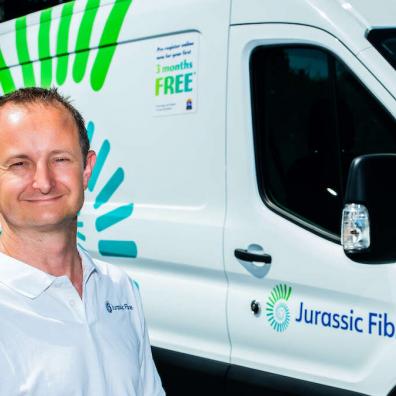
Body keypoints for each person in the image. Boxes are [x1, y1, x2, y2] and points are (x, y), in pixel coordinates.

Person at [0, 87, 165, 395]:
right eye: (19, 163)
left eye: (60, 159)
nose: (44, 182)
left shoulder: (118, 287)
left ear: (86, 168)